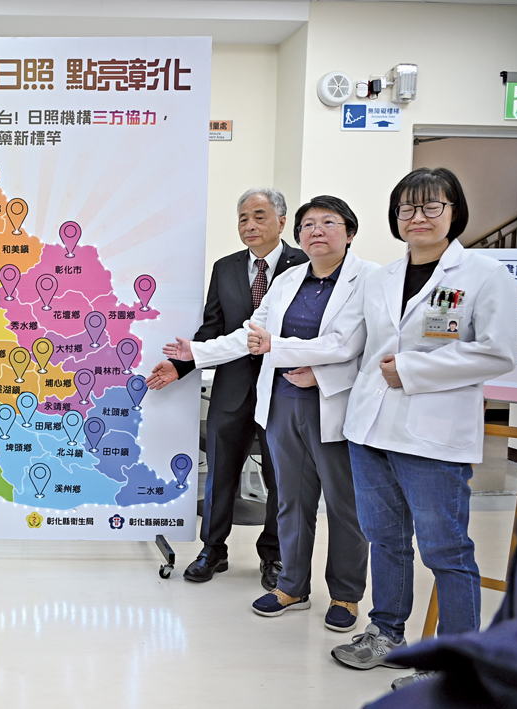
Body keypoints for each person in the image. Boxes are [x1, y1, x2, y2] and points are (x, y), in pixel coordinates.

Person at [254, 168, 517, 689]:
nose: (417, 217)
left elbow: (498, 352)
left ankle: (453, 664)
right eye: (406, 209)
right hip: (370, 430)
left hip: (432, 435)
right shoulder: (381, 279)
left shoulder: (483, 275)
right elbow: (353, 348)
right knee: (385, 540)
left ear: (454, 213)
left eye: (431, 206)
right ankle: (385, 632)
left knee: (445, 550)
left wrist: (414, 371)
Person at [170, 196, 376, 632]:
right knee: (290, 502)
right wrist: (198, 352)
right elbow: (251, 334)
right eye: (309, 224)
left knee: (344, 505)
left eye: (328, 223)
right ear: (297, 232)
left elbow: (346, 344)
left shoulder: (369, 280)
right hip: (282, 403)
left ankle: (345, 594)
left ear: (350, 232)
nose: (316, 231)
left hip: (332, 405)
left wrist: (283, 351)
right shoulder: (288, 280)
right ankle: (292, 586)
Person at [147, 187, 307, 591]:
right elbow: (212, 330)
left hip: (284, 389)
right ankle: (212, 550)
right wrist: (181, 366)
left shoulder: (304, 265)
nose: (249, 225)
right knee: (220, 473)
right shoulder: (225, 268)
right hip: (232, 388)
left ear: (282, 221)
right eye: (242, 218)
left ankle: (273, 554)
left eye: (259, 216)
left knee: (280, 477)